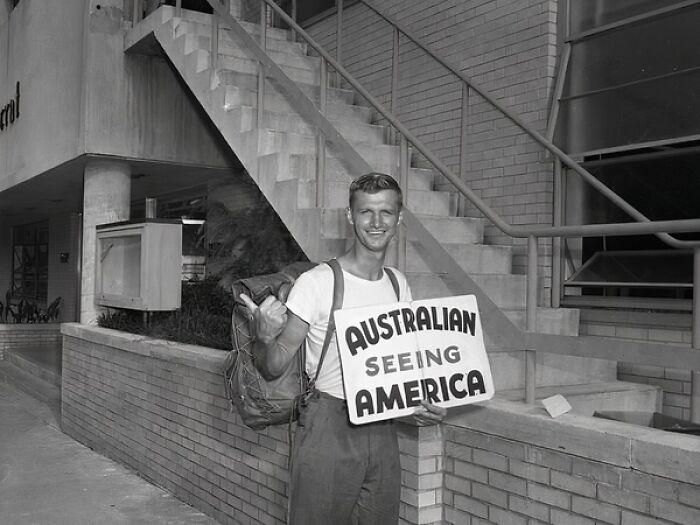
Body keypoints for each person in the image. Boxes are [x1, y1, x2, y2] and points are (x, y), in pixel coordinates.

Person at [240, 173, 446, 525]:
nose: (377, 222)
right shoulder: (318, 283)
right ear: (351, 217)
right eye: (366, 212)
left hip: (382, 428)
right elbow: (273, 367)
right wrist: (263, 336)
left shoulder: (399, 285)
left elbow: (398, 366)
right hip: (328, 427)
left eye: (386, 212)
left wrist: (414, 406)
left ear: (400, 218)